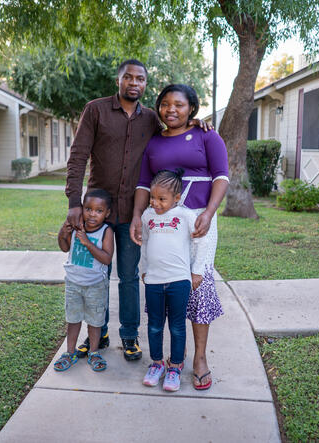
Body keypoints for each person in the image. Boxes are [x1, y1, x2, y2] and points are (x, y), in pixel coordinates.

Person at [65, 60, 211, 362]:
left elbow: (174, 130)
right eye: (128, 77)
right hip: (99, 210)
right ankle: (98, 330)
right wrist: (73, 203)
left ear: (146, 84)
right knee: (96, 273)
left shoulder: (150, 120)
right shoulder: (96, 110)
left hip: (136, 211)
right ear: (118, 80)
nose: (134, 82)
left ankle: (129, 337)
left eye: (140, 78)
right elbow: (78, 156)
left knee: (129, 275)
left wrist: (196, 124)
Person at [130, 84, 229, 390]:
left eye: (179, 104)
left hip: (198, 221)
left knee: (197, 284)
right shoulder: (154, 142)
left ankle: (199, 358)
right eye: (165, 104)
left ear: (192, 108)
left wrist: (209, 213)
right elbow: (144, 184)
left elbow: (222, 176)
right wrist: (136, 215)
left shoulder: (206, 135)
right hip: (163, 225)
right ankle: (166, 359)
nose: (171, 109)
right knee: (165, 285)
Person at [139, 169, 208, 392]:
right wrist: (144, 269)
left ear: (176, 198)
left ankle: (175, 367)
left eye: (162, 199)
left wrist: (196, 272)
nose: (155, 203)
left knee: (177, 327)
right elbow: (145, 244)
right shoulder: (147, 216)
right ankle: (157, 363)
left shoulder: (187, 216)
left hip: (179, 281)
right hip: (154, 281)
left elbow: (200, 243)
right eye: (152, 197)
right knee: (155, 325)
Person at [55, 189, 114, 372]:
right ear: (82, 209)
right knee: (73, 320)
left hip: (95, 285)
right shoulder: (76, 226)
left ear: (107, 213)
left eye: (98, 210)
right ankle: (70, 353)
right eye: (88, 209)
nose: (92, 214)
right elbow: (65, 248)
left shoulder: (106, 231)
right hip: (73, 283)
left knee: (95, 321)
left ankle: (94, 352)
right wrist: (62, 233)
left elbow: (106, 258)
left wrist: (87, 242)